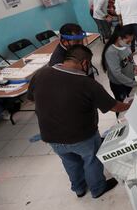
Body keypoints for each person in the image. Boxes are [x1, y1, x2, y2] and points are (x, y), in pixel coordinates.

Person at [28, 45, 131, 198]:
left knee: (70, 162)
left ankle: (79, 189)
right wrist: (129, 104)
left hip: (50, 135)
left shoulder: (41, 74)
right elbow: (114, 107)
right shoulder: (87, 84)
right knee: (91, 160)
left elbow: (32, 98)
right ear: (84, 63)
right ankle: (97, 189)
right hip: (82, 135)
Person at [101, 25, 137, 106]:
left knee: (133, 102)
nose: (130, 44)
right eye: (128, 41)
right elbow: (117, 74)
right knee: (123, 106)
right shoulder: (111, 52)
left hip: (130, 80)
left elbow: (130, 59)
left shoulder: (125, 46)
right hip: (119, 85)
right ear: (119, 38)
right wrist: (134, 83)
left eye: (131, 41)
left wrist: (134, 67)